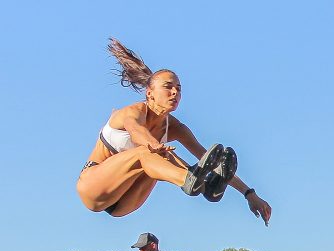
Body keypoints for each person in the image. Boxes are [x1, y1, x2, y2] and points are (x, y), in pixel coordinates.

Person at [77, 38, 271, 224]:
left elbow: (208, 159)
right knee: (149, 151)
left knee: (165, 155)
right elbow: (136, 131)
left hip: (125, 203)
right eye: (168, 87)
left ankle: (206, 186)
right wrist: (152, 144)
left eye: (179, 89)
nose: (175, 93)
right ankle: (193, 180)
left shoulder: (175, 127)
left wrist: (249, 194)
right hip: (94, 188)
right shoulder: (132, 112)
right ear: (149, 93)